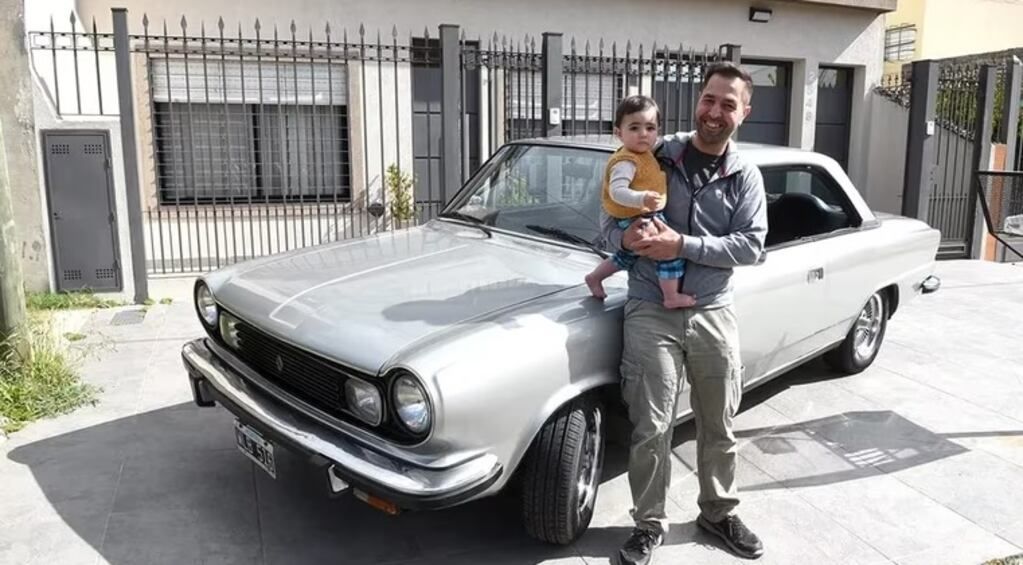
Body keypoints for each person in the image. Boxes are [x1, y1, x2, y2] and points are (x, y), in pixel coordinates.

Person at [602, 62, 768, 564]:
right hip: (651, 306)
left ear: (744, 112)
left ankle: (717, 512)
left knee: (719, 420)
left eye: (728, 104)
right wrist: (623, 238)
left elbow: (752, 246)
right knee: (651, 425)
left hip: (713, 309)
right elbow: (606, 227)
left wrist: (684, 244)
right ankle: (648, 524)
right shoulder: (655, 152)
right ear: (698, 100)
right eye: (709, 100)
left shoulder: (744, 175)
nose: (715, 112)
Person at [585, 95, 697, 309]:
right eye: (635, 128)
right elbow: (617, 192)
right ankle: (671, 296)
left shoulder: (643, 153)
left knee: (627, 256)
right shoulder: (626, 160)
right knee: (666, 252)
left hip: (639, 215)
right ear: (619, 133)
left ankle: (595, 277)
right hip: (636, 216)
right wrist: (642, 198)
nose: (644, 134)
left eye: (650, 128)